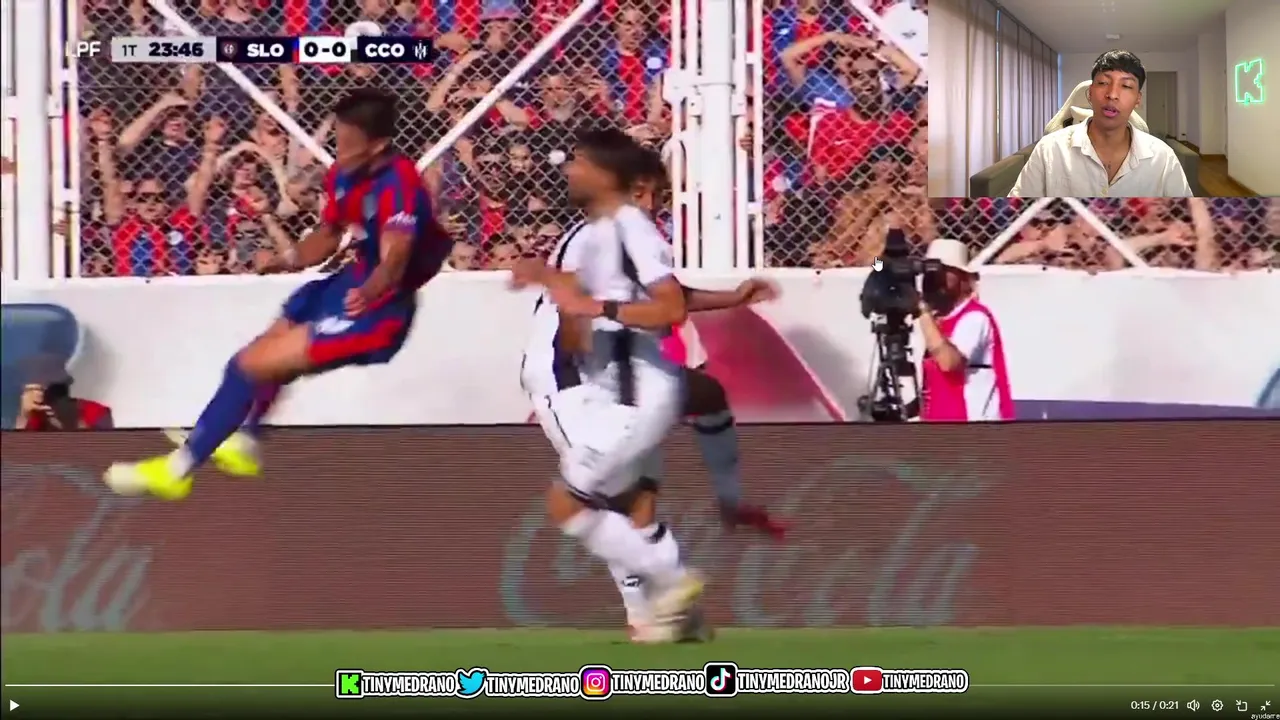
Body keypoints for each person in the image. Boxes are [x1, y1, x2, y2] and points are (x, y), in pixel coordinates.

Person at [104, 89, 454, 499]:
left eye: (348, 144)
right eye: (337, 140)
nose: (339, 152)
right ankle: (244, 438)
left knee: (248, 366)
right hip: (345, 283)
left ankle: (178, 470)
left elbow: (396, 258)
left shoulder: (401, 185)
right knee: (264, 350)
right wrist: (287, 258)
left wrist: (371, 289)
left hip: (379, 308)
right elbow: (328, 235)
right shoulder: (343, 175)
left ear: (377, 145)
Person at [510, 128, 703, 643]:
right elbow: (597, 304)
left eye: (578, 163)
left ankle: (660, 603)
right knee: (616, 497)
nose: (657, 205)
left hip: (596, 384)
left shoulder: (619, 233)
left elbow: (665, 302)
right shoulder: (599, 234)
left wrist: (585, 310)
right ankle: (661, 604)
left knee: (613, 499)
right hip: (581, 384)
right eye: (652, 194)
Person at [1009, 50, 1192, 199]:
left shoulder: (1162, 157)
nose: (1112, 94)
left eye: (1126, 86)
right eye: (1103, 83)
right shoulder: (1049, 149)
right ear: (1090, 93)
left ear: (1137, 99)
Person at [916, 238, 1014, 422]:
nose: (934, 280)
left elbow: (949, 363)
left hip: (973, 428)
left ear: (963, 279)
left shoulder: (975, 317)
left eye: (943, 272)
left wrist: (922, 312)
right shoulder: (937, 320)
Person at [14, 355, 113, 431]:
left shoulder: (95, 412)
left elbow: (103, 447)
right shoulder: (35, 418)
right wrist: (24, 417)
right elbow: (17, 448)